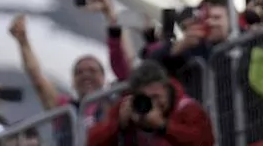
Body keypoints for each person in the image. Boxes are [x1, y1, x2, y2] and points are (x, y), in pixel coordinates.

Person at [85, 60, 213, 146]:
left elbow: (205, 141)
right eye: (146, 98)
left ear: (166, 89)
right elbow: (92, 141)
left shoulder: (187, 108)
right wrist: (118, 125)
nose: (153, 104)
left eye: (156, 97)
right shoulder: (130, 106)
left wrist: (163, 127)